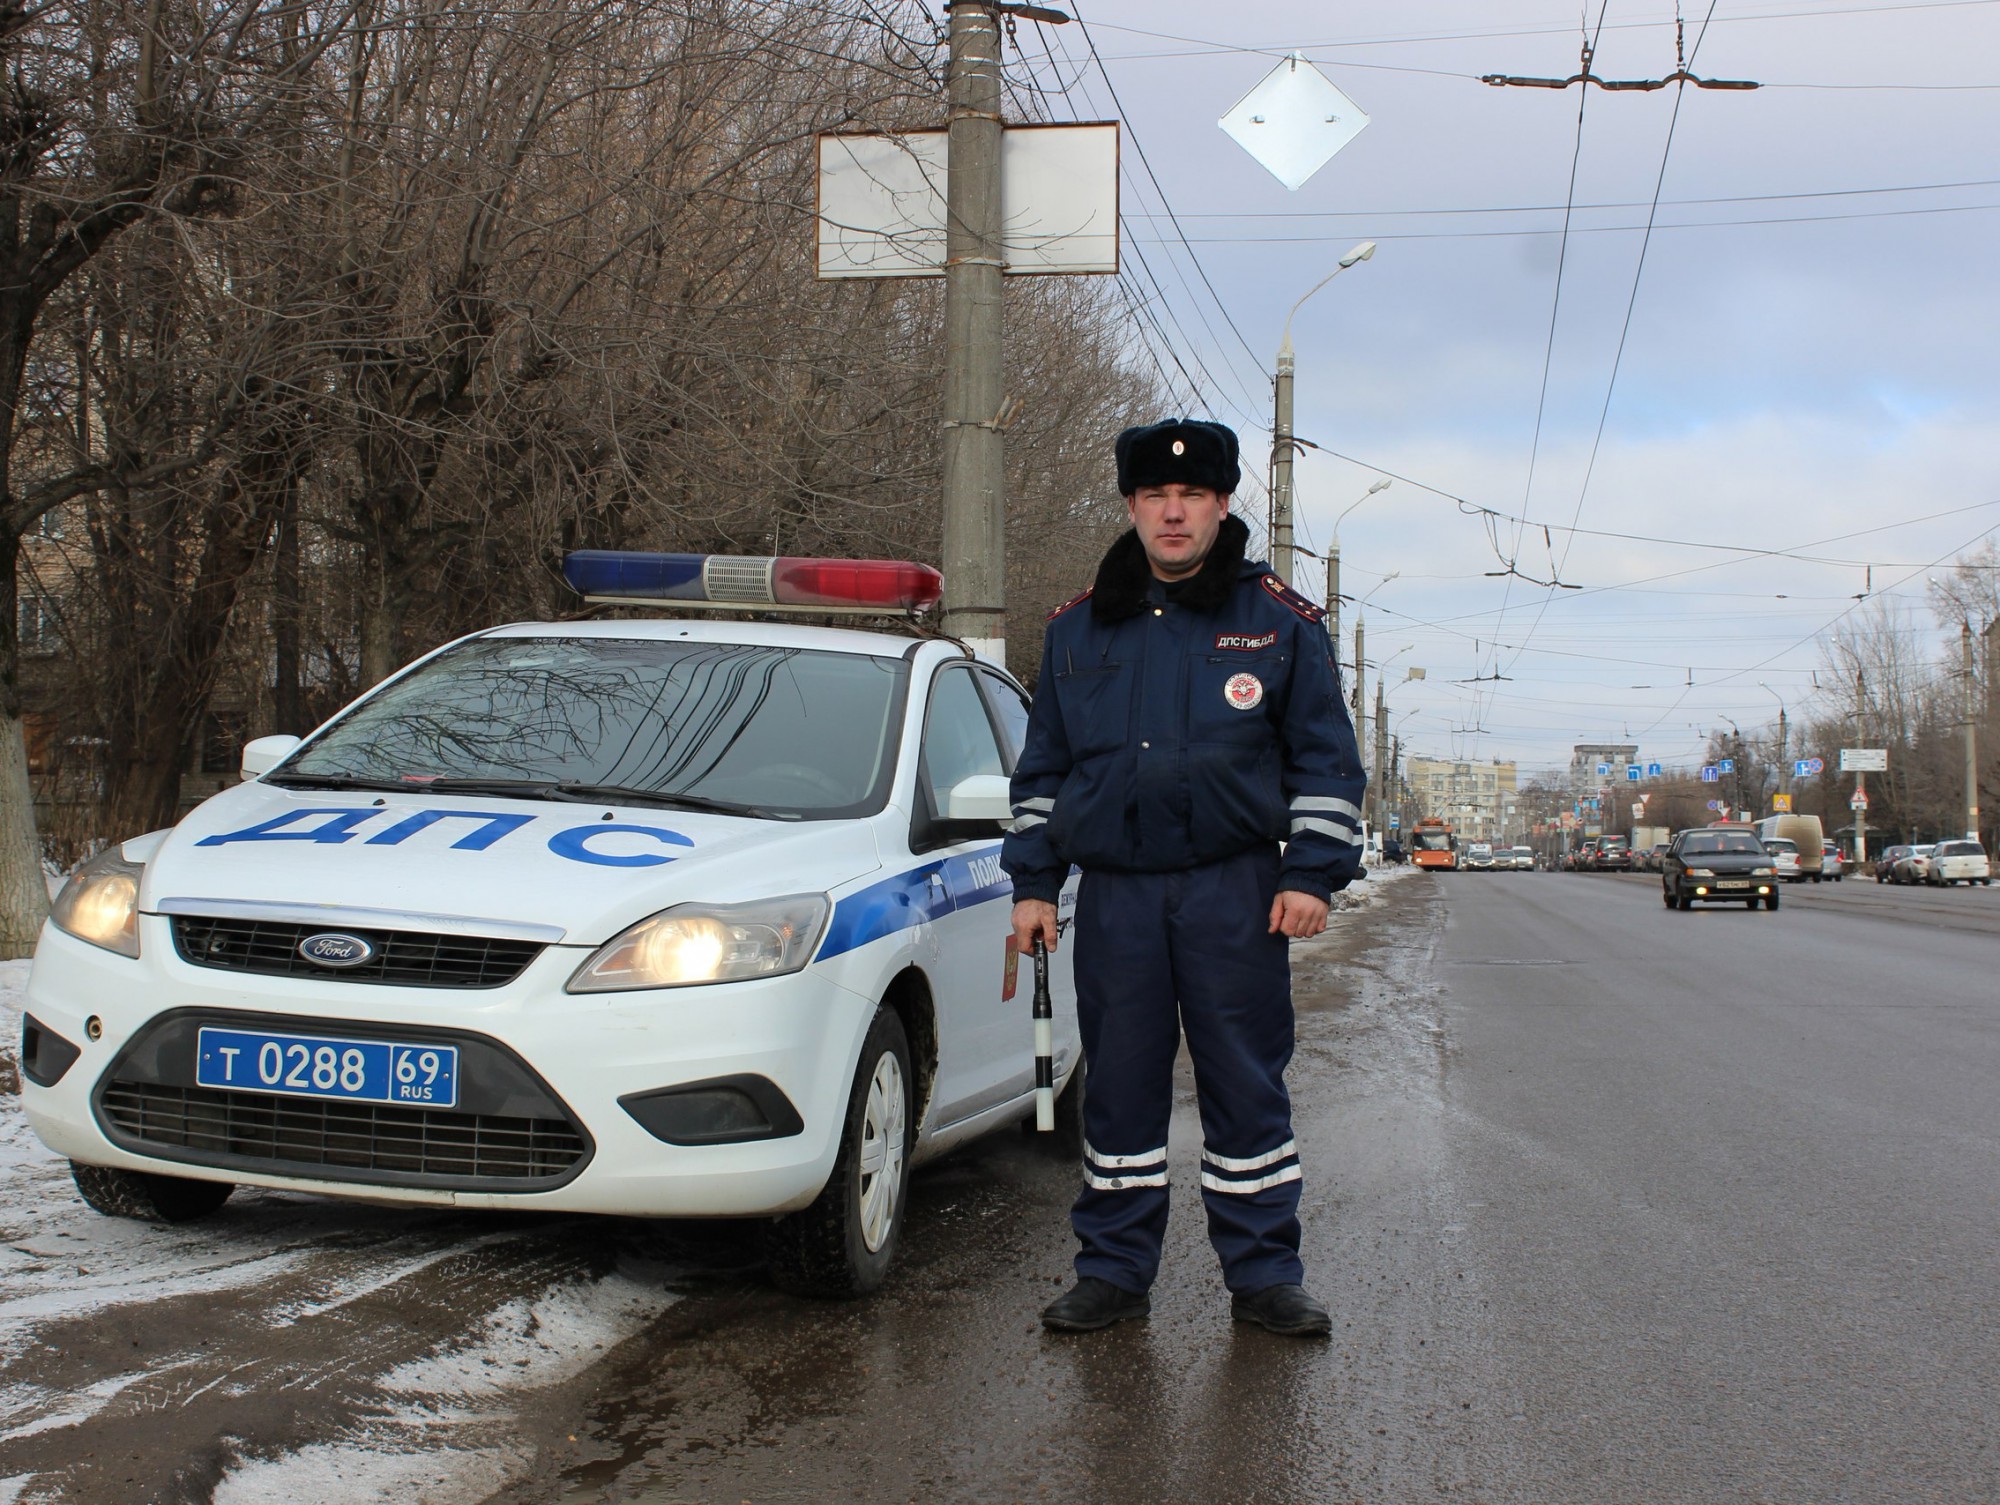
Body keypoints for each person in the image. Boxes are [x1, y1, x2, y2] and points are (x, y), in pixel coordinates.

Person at [1003, 418, 1367, 1337]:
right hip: (1119, 896)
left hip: (1234, 892)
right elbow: (1043, 772)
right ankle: (1114, 1269)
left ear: (1223, 503)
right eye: (1156, 497)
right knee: (1119, 1085)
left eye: (1193, 495)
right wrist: (1034, 883)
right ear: (1130, 505)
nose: (1174, 512)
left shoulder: (1278, 623)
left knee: (1245, 1082)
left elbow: (1326, 762)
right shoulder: (1079, 629)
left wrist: (1314, 874)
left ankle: (1265, 1274)